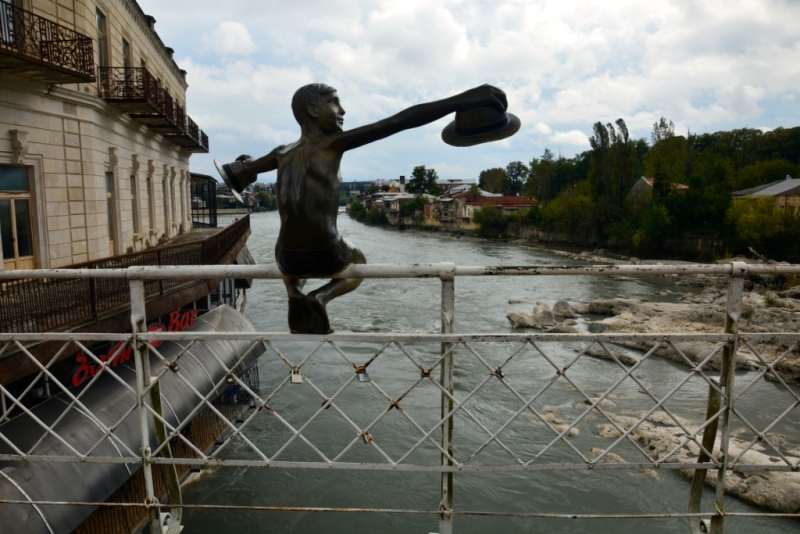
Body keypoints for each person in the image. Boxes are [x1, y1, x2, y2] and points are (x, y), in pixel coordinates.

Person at [225, 83, 510, 333]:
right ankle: (319, 298)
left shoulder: (280, 152)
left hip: (286, 257)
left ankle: (295, 291)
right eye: (334, 102)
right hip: (326, 253)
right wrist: (462, 100)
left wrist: (245, 166)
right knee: (359, 263)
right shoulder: (332, 145)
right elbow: (400, 121)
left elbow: (242, 171)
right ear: (313, 109)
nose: (342, 110)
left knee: (290, 258)